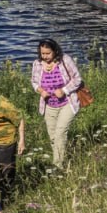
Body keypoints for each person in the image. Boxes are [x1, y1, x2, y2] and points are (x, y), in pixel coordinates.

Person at [30, 38, 84, 167]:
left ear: (55, 51)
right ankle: (60, 159)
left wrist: (64, 90)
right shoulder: (37, 64)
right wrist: (40, 90)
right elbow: (34, 82)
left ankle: (57, 166)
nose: (45, 56)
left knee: (60, 132)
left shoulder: (65, 60)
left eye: (48, 53)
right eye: (42, 53)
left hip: (67, 103)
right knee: (53, 136)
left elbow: (77, 79)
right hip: (49, 104)